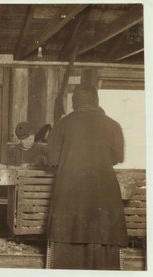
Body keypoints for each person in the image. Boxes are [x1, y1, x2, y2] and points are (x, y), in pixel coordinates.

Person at [46, 83, 127, 270]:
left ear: (74, 102)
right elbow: (118, 158)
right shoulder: (113, 125)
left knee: (67, 243)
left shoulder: (62, 124)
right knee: (104, 241)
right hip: (104, 196)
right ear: (97, 101)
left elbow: (52, 160)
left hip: (70, 195)